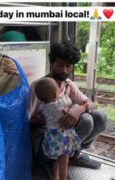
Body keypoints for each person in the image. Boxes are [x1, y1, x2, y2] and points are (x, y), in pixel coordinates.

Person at [28, 41, 107, 170]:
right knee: (86, 121)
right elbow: (25, 123)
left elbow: (91, 104)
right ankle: (53, 162)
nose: (64, 70)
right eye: (60, 65)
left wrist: (79, 109)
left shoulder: (68, 84)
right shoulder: (39, 87)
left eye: (68, 66)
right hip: (45, 140)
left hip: (63, 135)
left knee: (100, 117)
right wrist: (47, 119)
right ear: (52, 63)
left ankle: (72, 156)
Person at [34, 77, 81, 180]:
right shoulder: (59, 105)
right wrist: (74, 108)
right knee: (64, 162)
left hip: (51, 137)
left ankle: (56, 178)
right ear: (55, 94)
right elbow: (67, 111)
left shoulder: (43, 107)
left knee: (55, 159)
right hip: (62, 137)